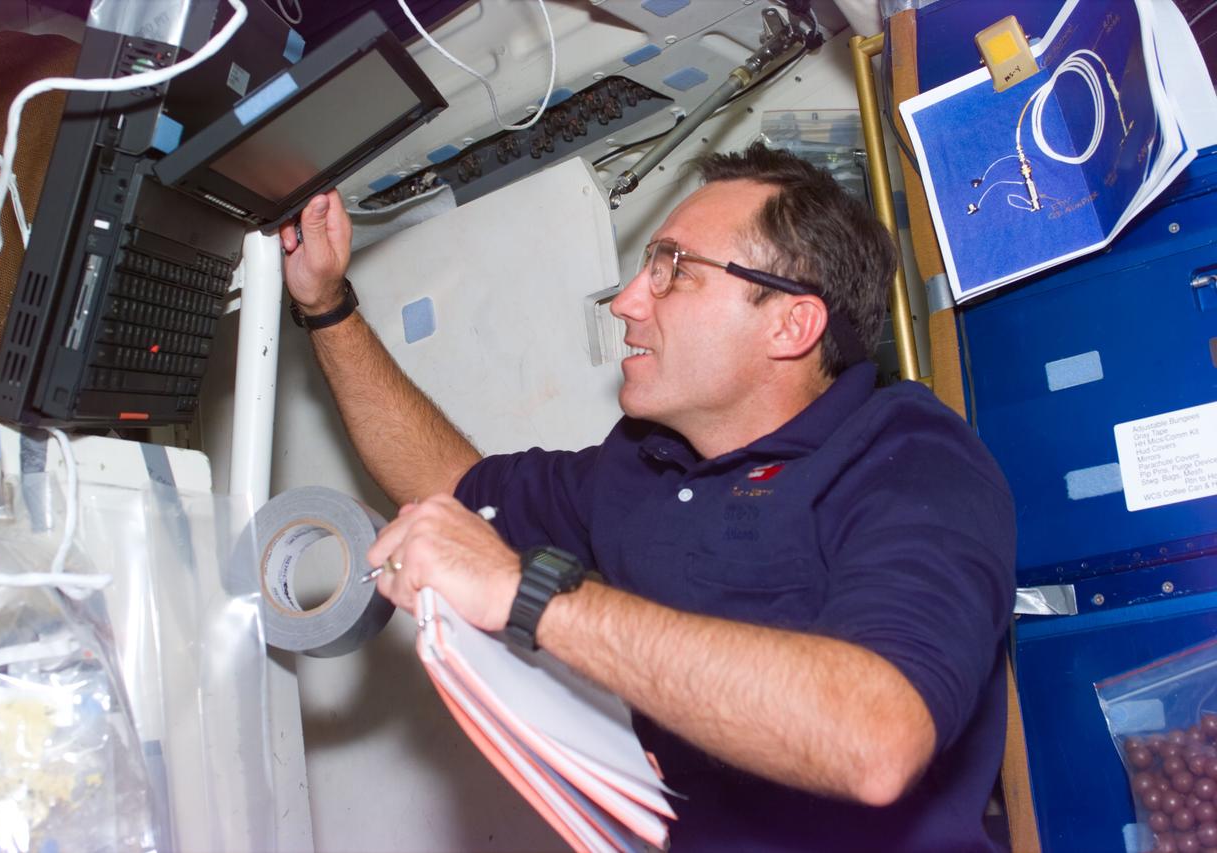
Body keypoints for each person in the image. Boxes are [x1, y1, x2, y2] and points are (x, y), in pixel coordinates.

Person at [280, 143, 1016, 851]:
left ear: (791, 323)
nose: (627, 301)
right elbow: (451, 489)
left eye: (674, 271)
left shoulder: (911, 459)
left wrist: (533, 595)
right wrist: (326, 306)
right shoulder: (641, 463)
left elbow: (876, 738)